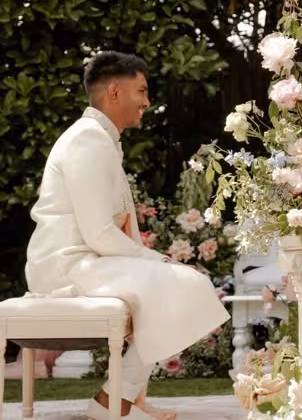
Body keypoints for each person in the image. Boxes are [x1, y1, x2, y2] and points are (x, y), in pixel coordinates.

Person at [25, 51, 230, 420]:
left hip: (89, 260)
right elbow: (99, 233)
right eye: (142, 91)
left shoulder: (100, 138)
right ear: (115, 93)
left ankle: (123, 398)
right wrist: (159, 261)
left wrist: (155, 264)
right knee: (185, 284)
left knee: (184, 284)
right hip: (66, 265)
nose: (147, 102)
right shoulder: (88, 139)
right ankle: (113, 402)